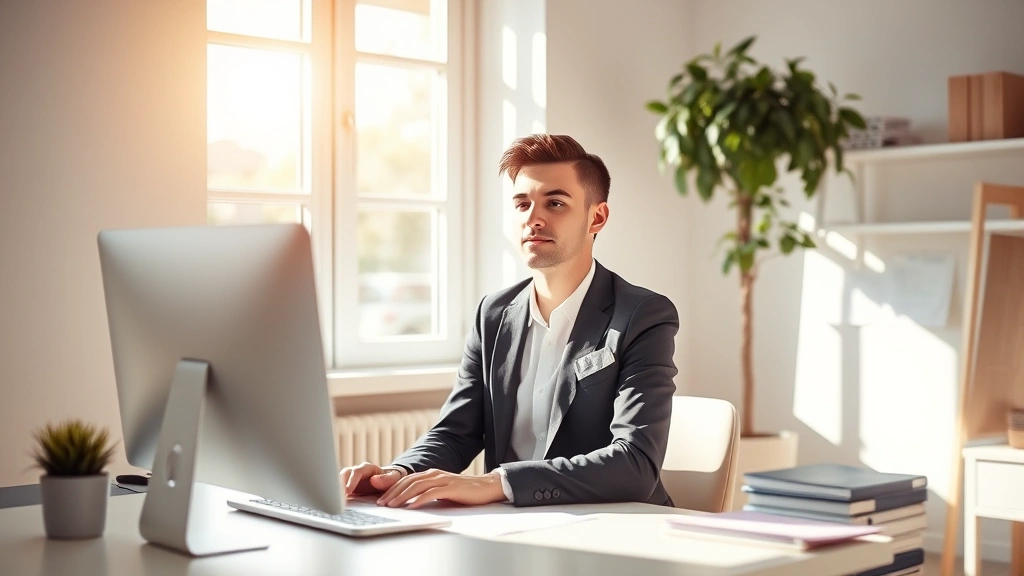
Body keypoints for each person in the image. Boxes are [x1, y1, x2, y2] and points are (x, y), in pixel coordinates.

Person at [340, 134, 679, 508]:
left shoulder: (641, 316)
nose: (533, 218)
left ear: (595, 217)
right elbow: (456, 433)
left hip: (613, 529)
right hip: (512, 525)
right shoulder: (494, 314)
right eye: (522, 204)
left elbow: (635, 465)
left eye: (555, 203)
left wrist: (499, 482)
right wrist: (397, 474)